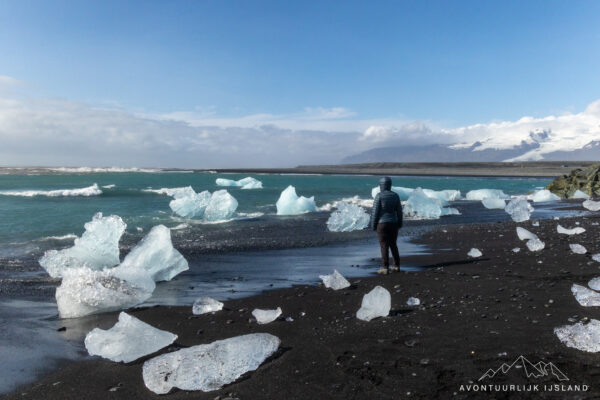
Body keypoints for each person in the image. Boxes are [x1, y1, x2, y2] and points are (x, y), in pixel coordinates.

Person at [369, 177, 403, 275]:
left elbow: (375, 212)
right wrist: (400, 223)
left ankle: (385, 267)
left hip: (382, 224)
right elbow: (399, 211)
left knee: (384, 245)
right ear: (390, 185)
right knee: (393, 244)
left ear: (381, 185)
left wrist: (373, 225)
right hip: (393, 223)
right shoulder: (395, 196)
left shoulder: (379, 196)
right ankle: (396, 265)